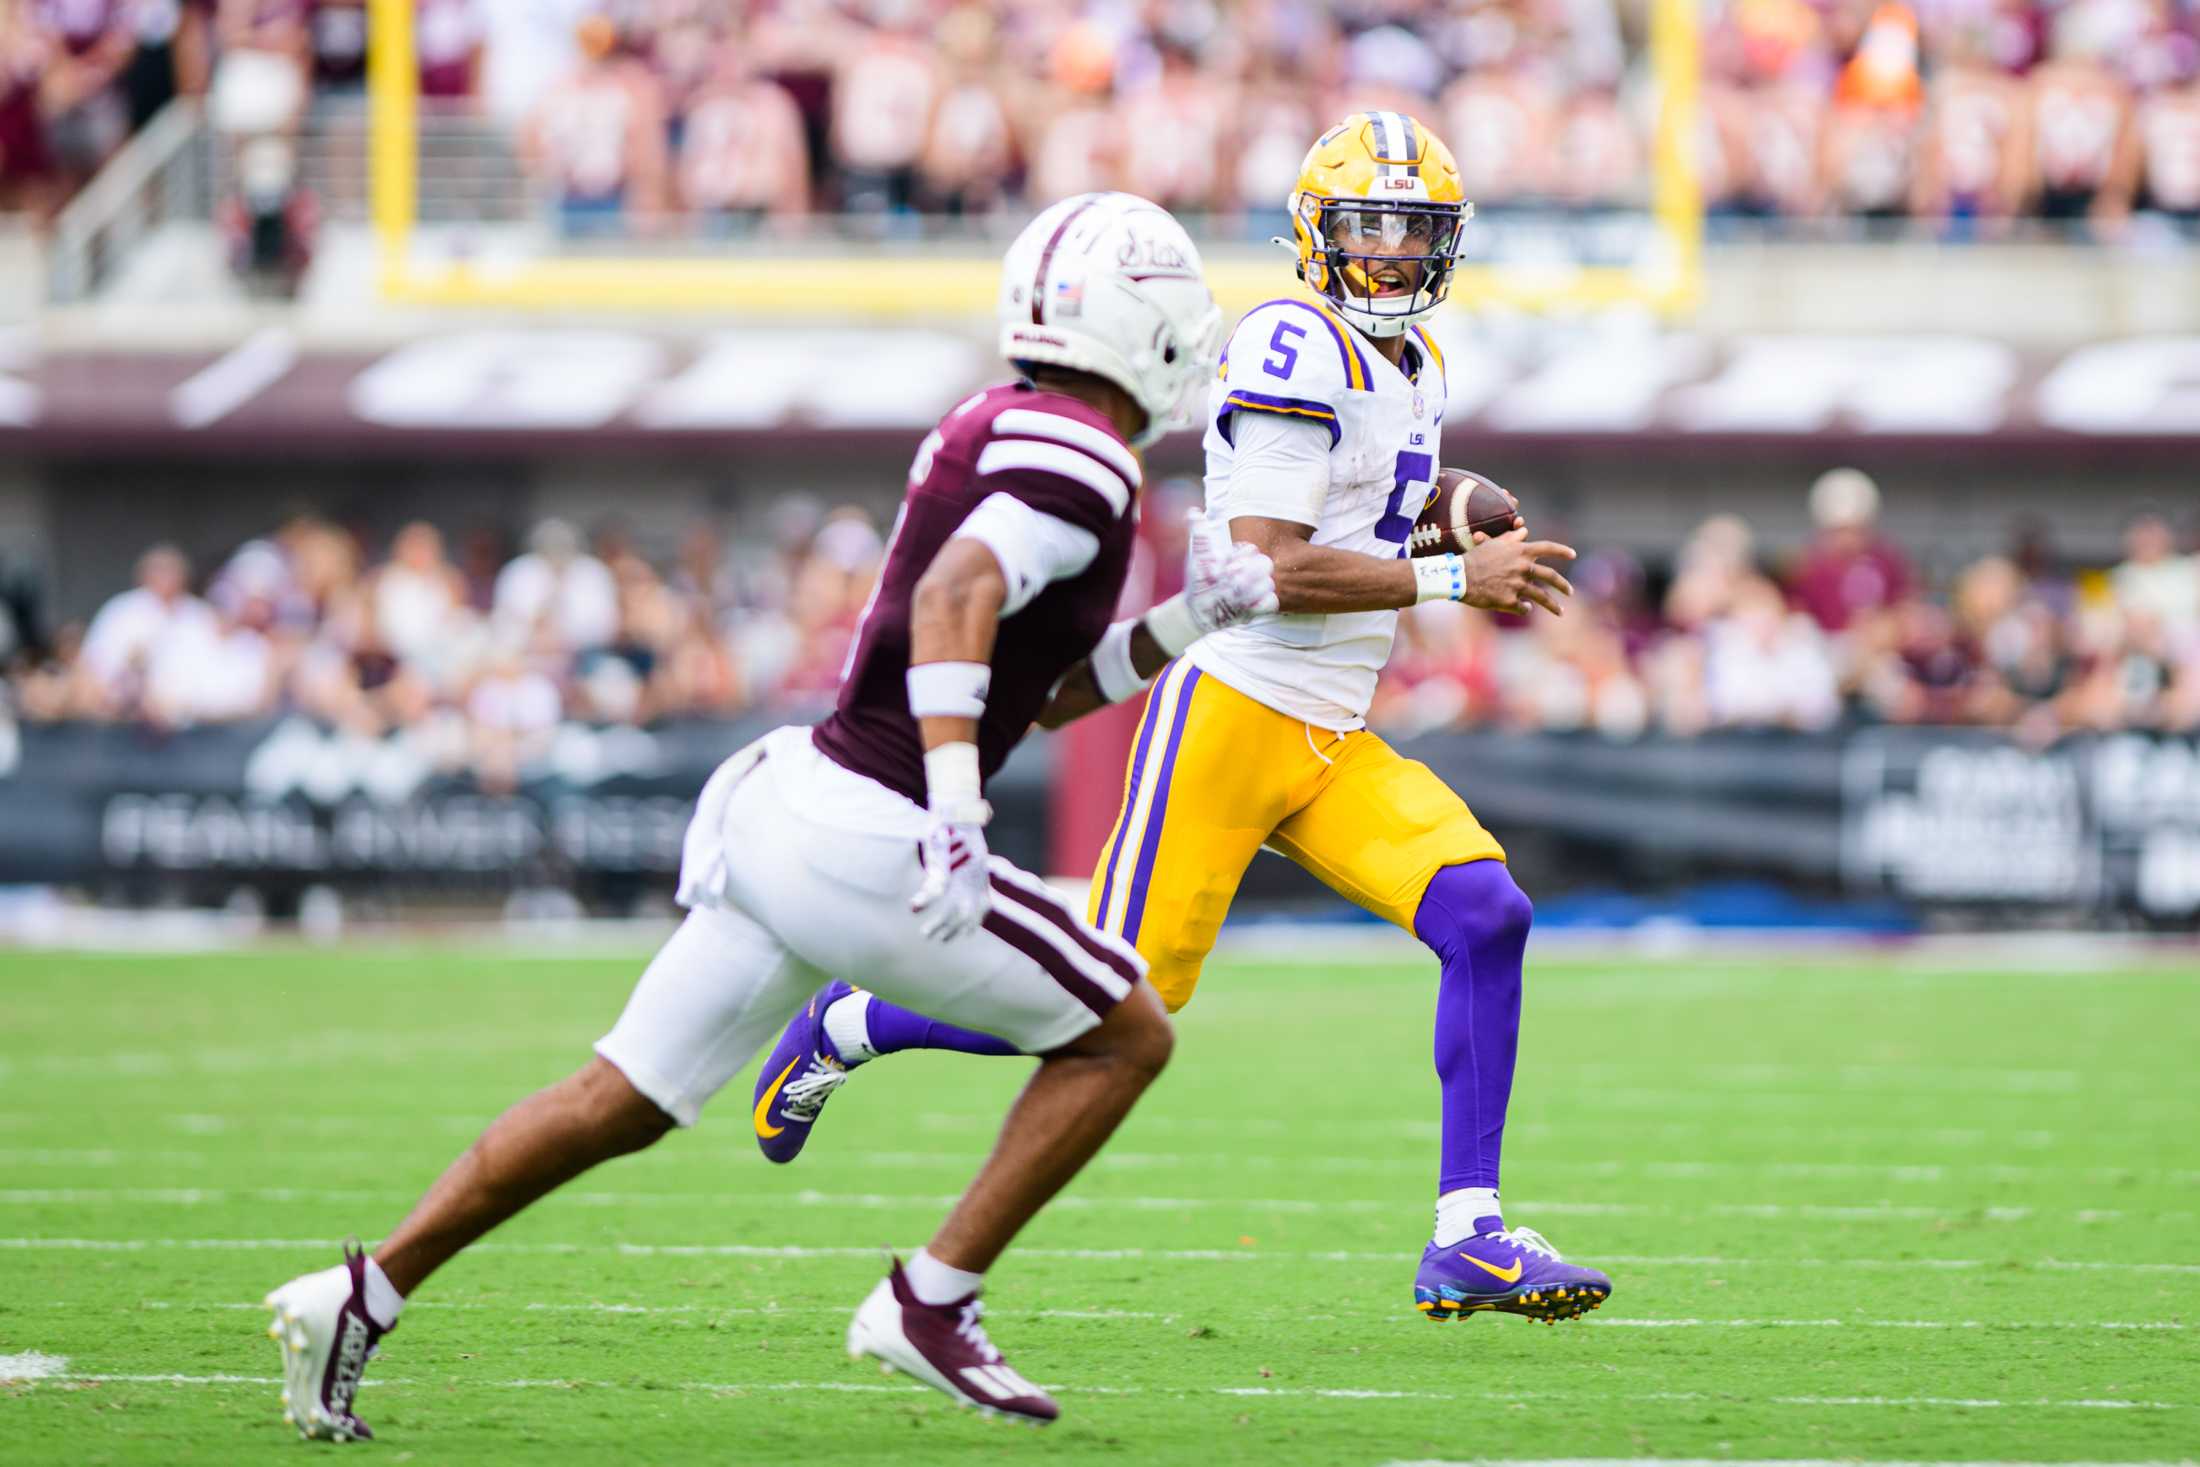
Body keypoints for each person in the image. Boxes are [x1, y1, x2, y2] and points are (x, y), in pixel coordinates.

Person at [260, 191, 1271, 1438]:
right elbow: (959, 596)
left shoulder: (996, 420)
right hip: (875, 833)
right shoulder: (1087, 456)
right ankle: (930, 1302)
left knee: (617, 1097)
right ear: (1153, 328)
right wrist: (956, 804)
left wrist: (1185, 624)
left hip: (792, 806)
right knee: (1126, 1034)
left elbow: (1034, 694)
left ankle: (363, 1290)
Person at [751, 113, 1613, 1329]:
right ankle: (847, 1022)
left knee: (1486, 914)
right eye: (1370, 227)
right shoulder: (1287, 345)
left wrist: (1453, 506)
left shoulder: (1413, 364)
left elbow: (1366, 516)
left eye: (1415, 233)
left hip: (1327, 735)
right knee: (1110, 995)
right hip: (1233, 712)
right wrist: (1451, 580)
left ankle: (1467, 1235)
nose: (1393, 255)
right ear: (1318, 234)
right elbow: (1271, 565)